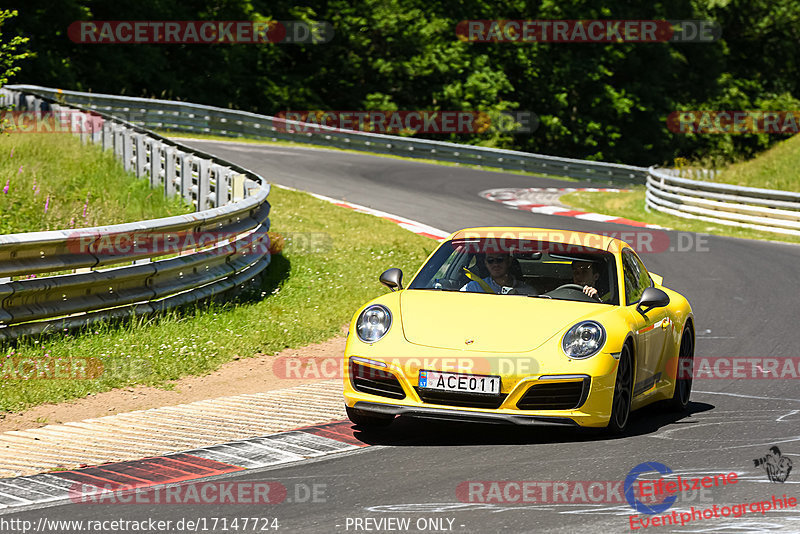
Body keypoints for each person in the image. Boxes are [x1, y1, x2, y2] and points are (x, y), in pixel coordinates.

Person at [460, 253, 537, 295]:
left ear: (509, 261)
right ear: (486, 263)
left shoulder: (528, 292)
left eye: (500, 259)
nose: (495, 264)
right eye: (490, 260)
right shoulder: (472, 288)